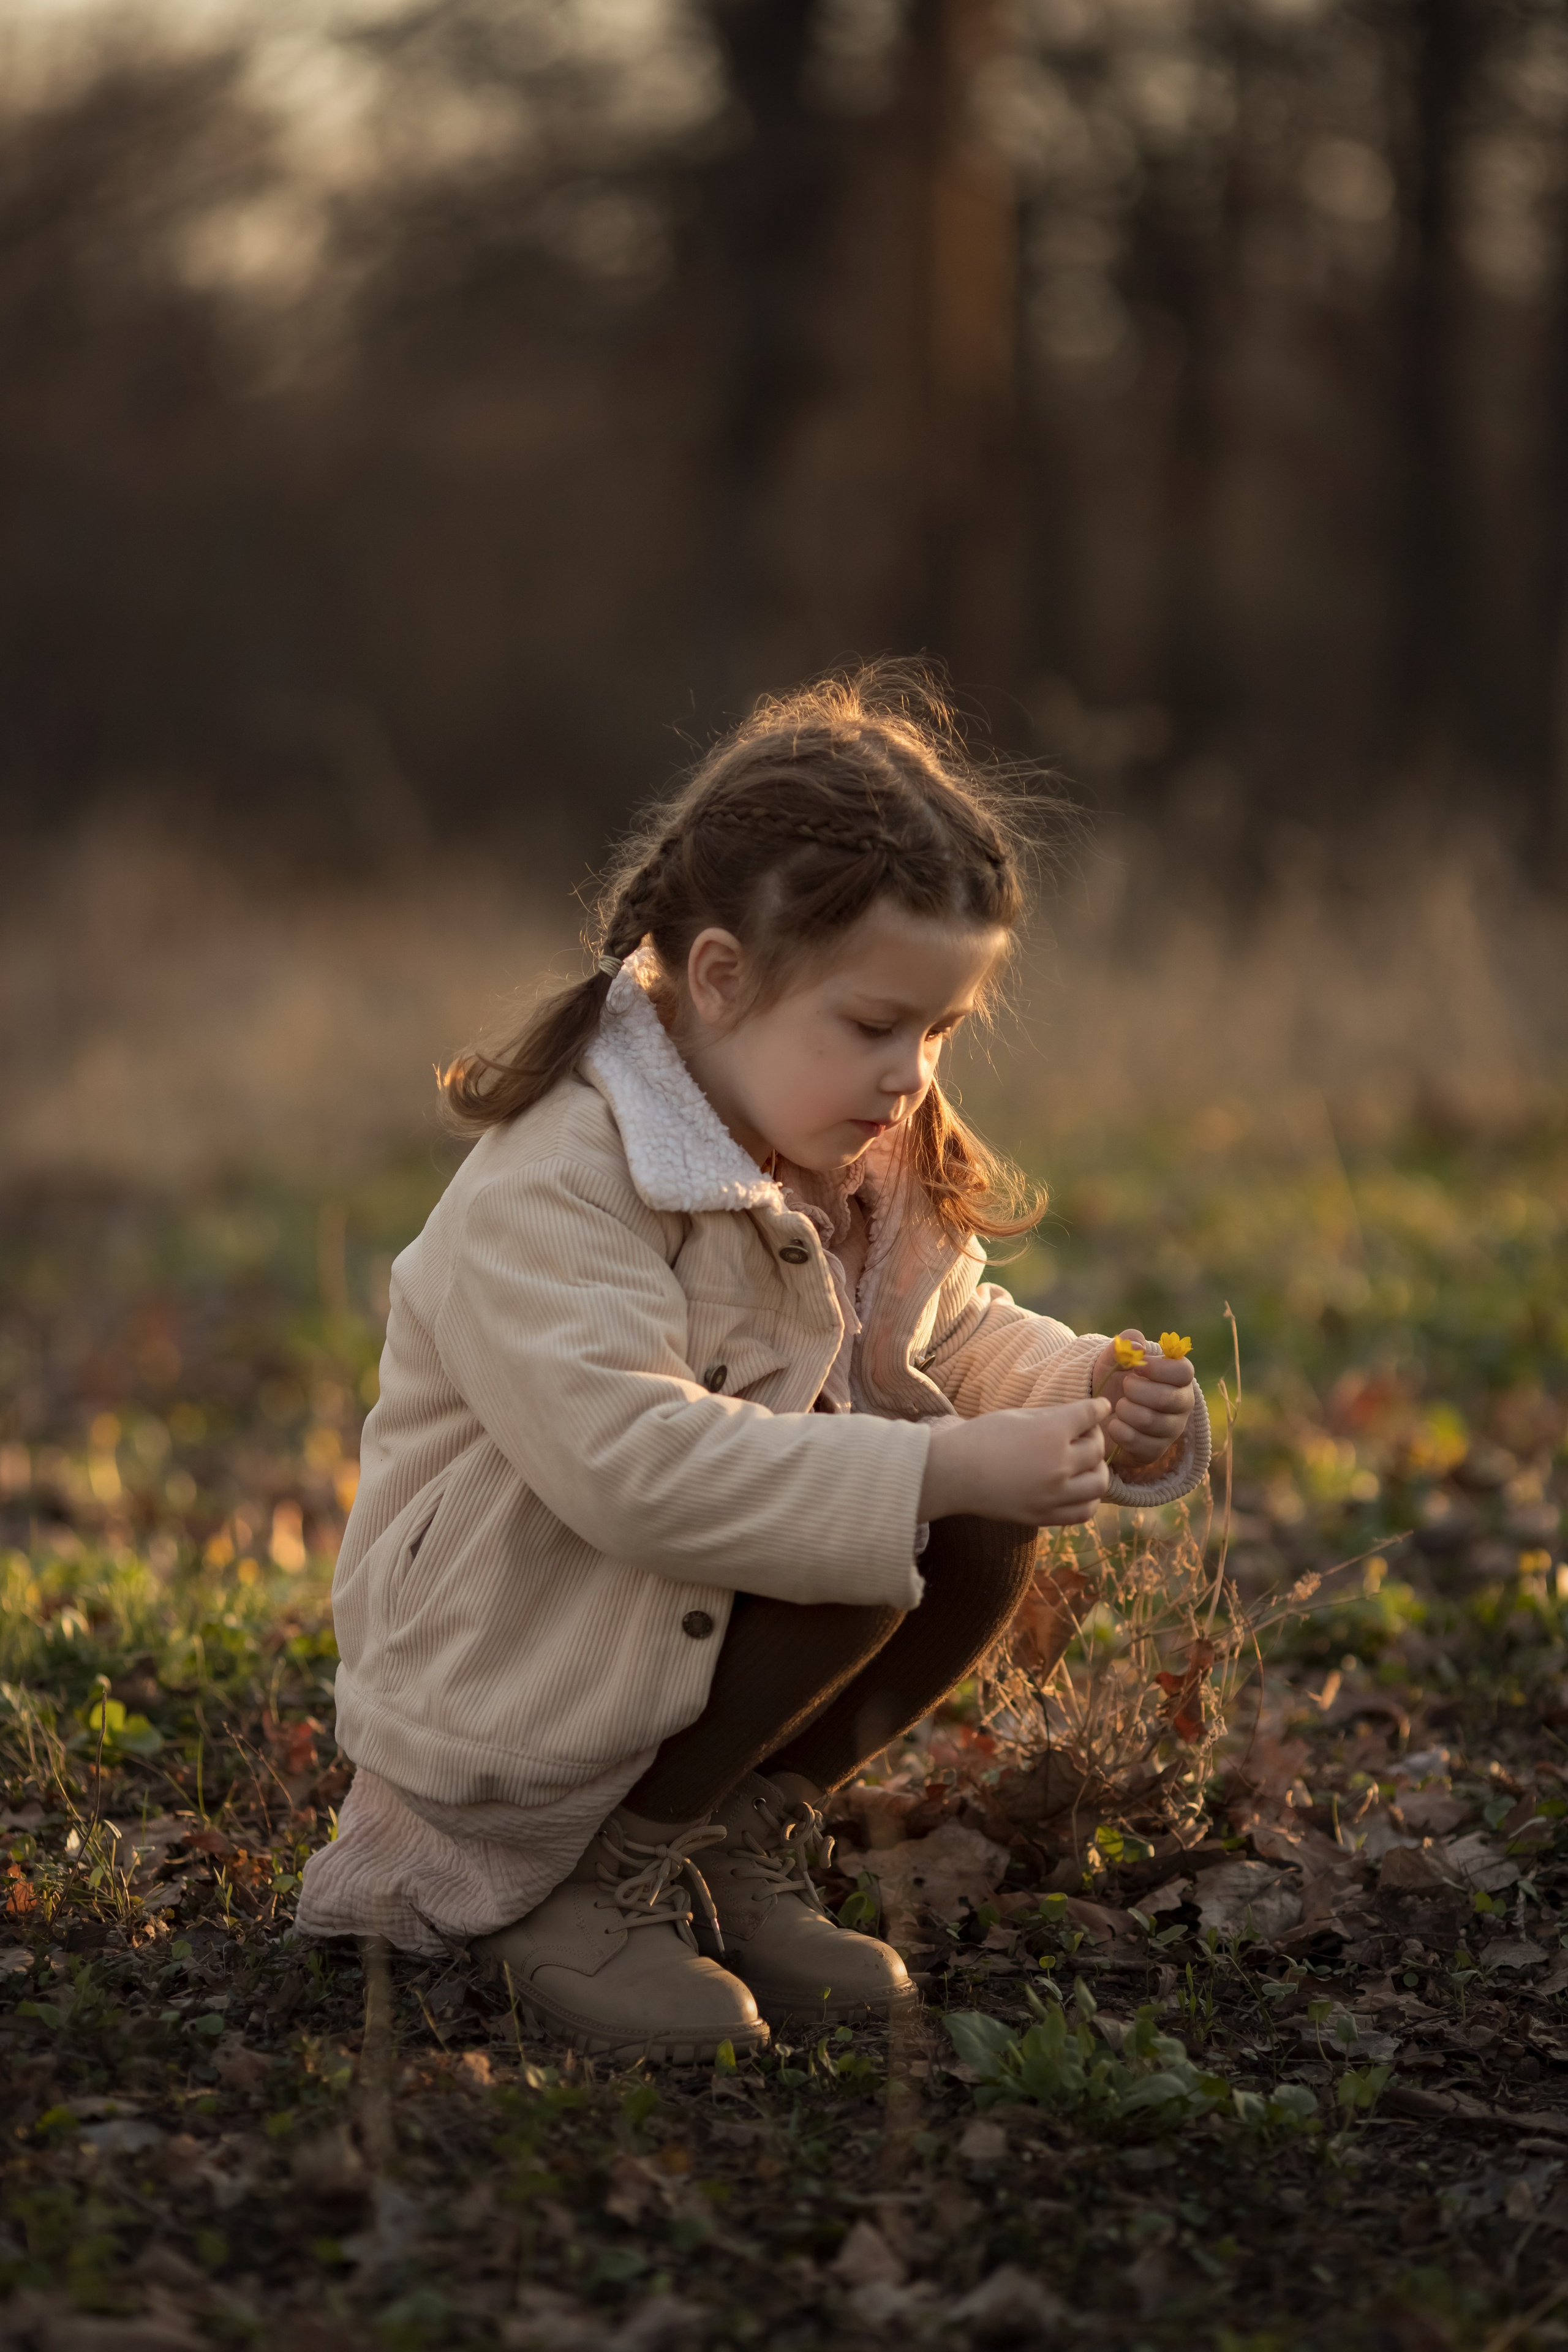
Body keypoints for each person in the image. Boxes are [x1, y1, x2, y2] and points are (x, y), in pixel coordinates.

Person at [295, 665, 1210, 2061]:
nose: (910, 1073)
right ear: (719, 976)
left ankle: (721, 1833)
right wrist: (933, 1461)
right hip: (509, 1674)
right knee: (883, 1503)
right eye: (872, 1024)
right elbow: (634, 1468)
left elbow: (941, 1336)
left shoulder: (851, 1144)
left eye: (940, 1029)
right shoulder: (557, 1178)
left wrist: (1082, 1391)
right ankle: (570, 1883)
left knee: (957, 1513)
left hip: (653, 1632)